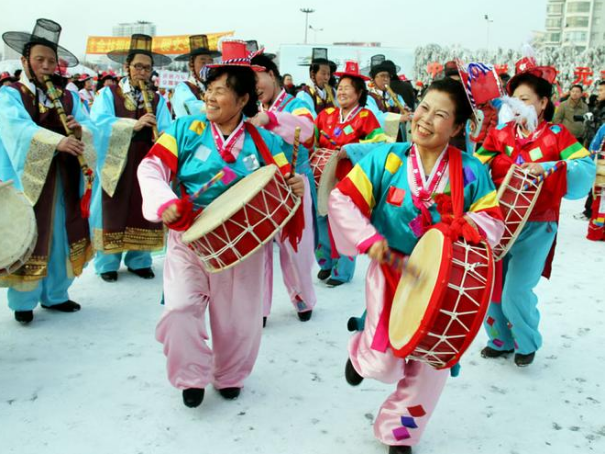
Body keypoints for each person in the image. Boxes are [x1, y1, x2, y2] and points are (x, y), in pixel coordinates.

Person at [328, 77, 504, 454]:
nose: (424, 119)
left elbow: (493, 218)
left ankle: (400, 432)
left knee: (430, 364)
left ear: (457, 128)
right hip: (391, 268)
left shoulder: (470, 170)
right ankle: (361, 351)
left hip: (442, 277)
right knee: (384, 364)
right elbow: (342, 200)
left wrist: (467, 226)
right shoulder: (385, 159)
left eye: (440, 115)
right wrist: (370, 241)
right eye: (423, 107)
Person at [137, 39, 304, 408]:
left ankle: (229, 374)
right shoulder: (184, 128)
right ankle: (191, 374)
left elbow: (285, 180)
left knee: (238, 319)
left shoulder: (263, 141)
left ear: (243, 100)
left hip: (242, 245)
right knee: (180, 308)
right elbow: (151, 167)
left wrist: (294, 184)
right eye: (208, 90)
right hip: (190, 237)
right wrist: (165, 201)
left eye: (220, 92)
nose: (210, 98)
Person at [475, 57, 596, 367]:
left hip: (537, 226)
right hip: (498, 222)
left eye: (525, 99)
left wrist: (545, 167)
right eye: (513, 99)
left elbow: (584, 167)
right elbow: (476, 167)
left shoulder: (556, 135)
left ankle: (526, 342)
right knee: (493, 286)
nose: (517, 105)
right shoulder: (500, 134)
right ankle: (499, 338)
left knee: (516, 290)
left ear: (543, 103)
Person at [0, 18, 97, 324]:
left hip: (63, 179)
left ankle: (56, 294)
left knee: (61, 233)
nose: (45, 66)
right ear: (25, 61)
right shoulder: (11, 93)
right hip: (27, 179)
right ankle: (24, 300)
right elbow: (16, 129)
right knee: (32, 234)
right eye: (39, 59)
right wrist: (57, 141)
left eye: (51, 61)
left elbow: (90, 124)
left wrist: (81, 131)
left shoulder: (67, 95)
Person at [89, 34, 172, 282]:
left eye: (147, 68)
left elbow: (167, 128)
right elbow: (99, 124)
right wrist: (133, 125)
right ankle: (107, 263)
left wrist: (163, 137)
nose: (142, 72)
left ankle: (140, 260)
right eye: (138, 66)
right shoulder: (109, 94)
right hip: (117, 158)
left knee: (143, 205)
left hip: (145, 157)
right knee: (112, 207)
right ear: (127, 67)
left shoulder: (157, 99)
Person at [249, 52, 317, 323]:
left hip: (293, 184)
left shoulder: (296, 103)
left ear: (271, 74)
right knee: (259, 250)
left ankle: (302, 298)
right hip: (262, 187)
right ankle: (259, 308)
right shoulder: (252, 107)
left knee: (297, 247)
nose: (255, 88)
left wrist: (272, 120)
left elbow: (309, 129)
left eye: (257, 80)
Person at [315, 61, 388, 287]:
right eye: (341, 87)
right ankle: (326, 262)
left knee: (343, 221)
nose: (343, 91)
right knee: (321, 218)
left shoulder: (366, 116)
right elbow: (313, 140)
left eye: (349, 87)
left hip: (350, 177)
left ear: (359, 93)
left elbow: (379, 144)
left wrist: (351, 150)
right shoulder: (325, 114)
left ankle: (342, 270)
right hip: (324, 175)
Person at [172, 35, 220, 118]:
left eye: (210, 62)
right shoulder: (183, 87)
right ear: (191, 65)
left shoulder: (214, 86)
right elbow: (192, 107)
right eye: (203, 62)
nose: (208, 66)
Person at [365, 55, 411, 141]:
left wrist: (406, 111)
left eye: (388, 76)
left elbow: (405, 109)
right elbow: (376, 117)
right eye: (382, 76)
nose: (386, 79)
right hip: (378, 139)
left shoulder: (396, 97)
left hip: (397, 138)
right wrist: (399, 118)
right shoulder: (368, 98)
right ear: (373, 79)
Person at [297, 48, 337, 114]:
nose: (326, 78)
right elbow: (310, 118)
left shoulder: (332, 92)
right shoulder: (304, 94)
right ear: (313, 74)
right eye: (323, 74)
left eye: (328, 74)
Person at [586, 123, 605, 241]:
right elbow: (595, 145)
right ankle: (598, 232)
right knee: (601, 199)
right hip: (603, 168)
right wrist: (589, 162)